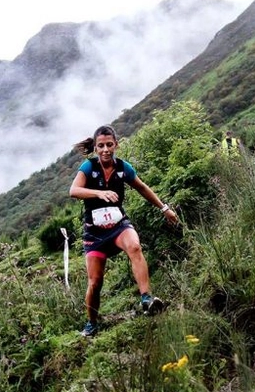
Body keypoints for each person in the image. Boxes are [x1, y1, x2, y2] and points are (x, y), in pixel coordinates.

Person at [69, 124, 178, 337]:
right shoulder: (88, 167)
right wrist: (98, 194)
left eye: (109, 145)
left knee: (135, 246)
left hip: (119, 226)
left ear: (116, 145)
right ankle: (91, 323)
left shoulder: (123, 168)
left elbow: (142, 188)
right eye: (101, 146)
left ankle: (146, 298)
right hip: (95, 233)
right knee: (95, 282)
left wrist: (164, 208)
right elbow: (74, 190)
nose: (105, 149)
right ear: (95, 148)